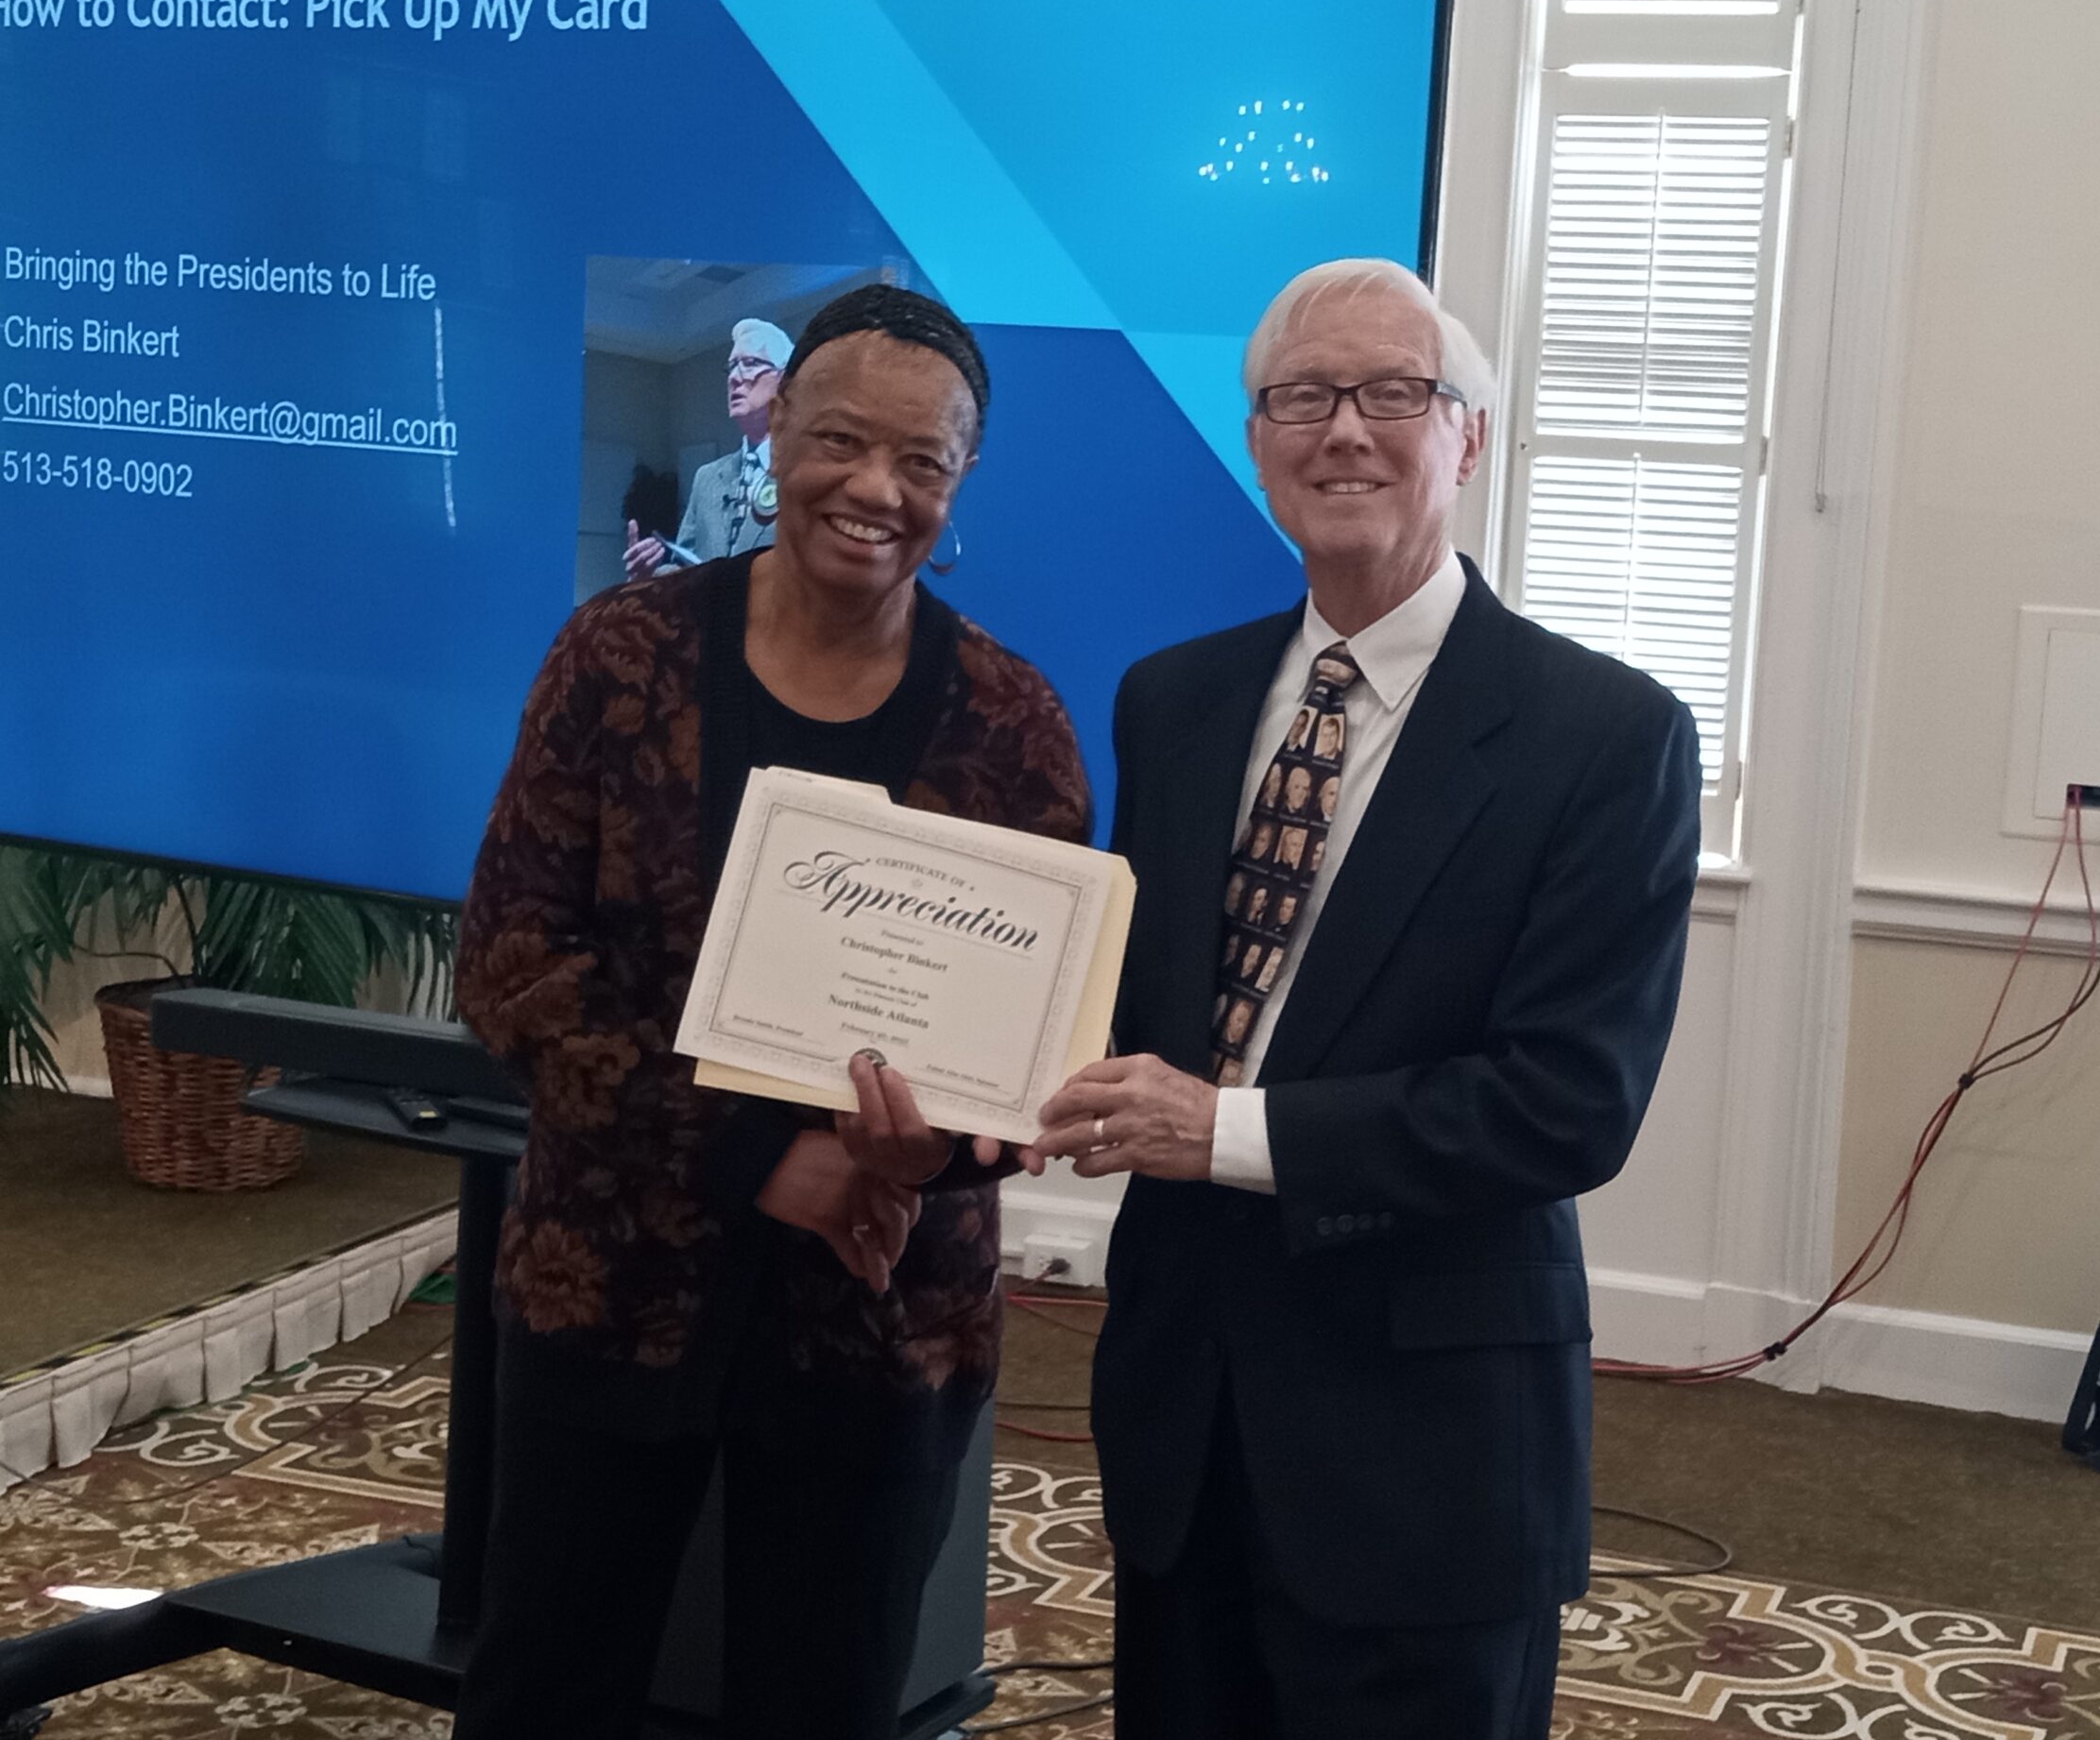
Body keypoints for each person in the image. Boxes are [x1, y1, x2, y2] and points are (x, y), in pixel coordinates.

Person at [1031, 258, 1700, 1739]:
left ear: (1469, 437)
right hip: (1185, 1420)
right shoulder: (1173, 701)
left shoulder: (1607, 736)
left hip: (1428, 1458)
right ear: (1259, 442)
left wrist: (1221, 1132)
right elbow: (1138, 1007)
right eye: (1302, 397)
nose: (1343, 429)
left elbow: (1565, 1106)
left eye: (1395, 392)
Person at [453, 283, 1091, 1740]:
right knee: (546, 1692)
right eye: (842, 441)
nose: (876, 489)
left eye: (922, 462)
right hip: (608, 1283)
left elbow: (1026, 1051)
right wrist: (764, 1157)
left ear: (962, 480)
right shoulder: (617, 657)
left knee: (827, 1706)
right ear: (777, 433)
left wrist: (936, 1154)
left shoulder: (1012, 725)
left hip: (880, 1318)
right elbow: (512, 963)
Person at [625, 316, 794, 577]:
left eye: (750, 364)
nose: (735, 378)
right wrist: (647, 576)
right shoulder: (707, 479)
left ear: (783, 380)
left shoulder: (801, 471)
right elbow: (684, 571)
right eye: (732, 366)